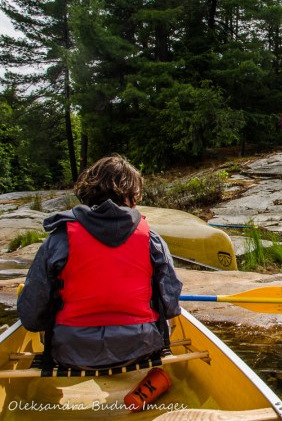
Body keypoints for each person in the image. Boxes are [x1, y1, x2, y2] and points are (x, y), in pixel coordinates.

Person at [17, 154, 183, 370]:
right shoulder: (151, 238)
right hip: (140, 348)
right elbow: (171, 305)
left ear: (89, 193)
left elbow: (32, 317)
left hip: (71, 352)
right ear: (132, 197)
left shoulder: (60, 238)